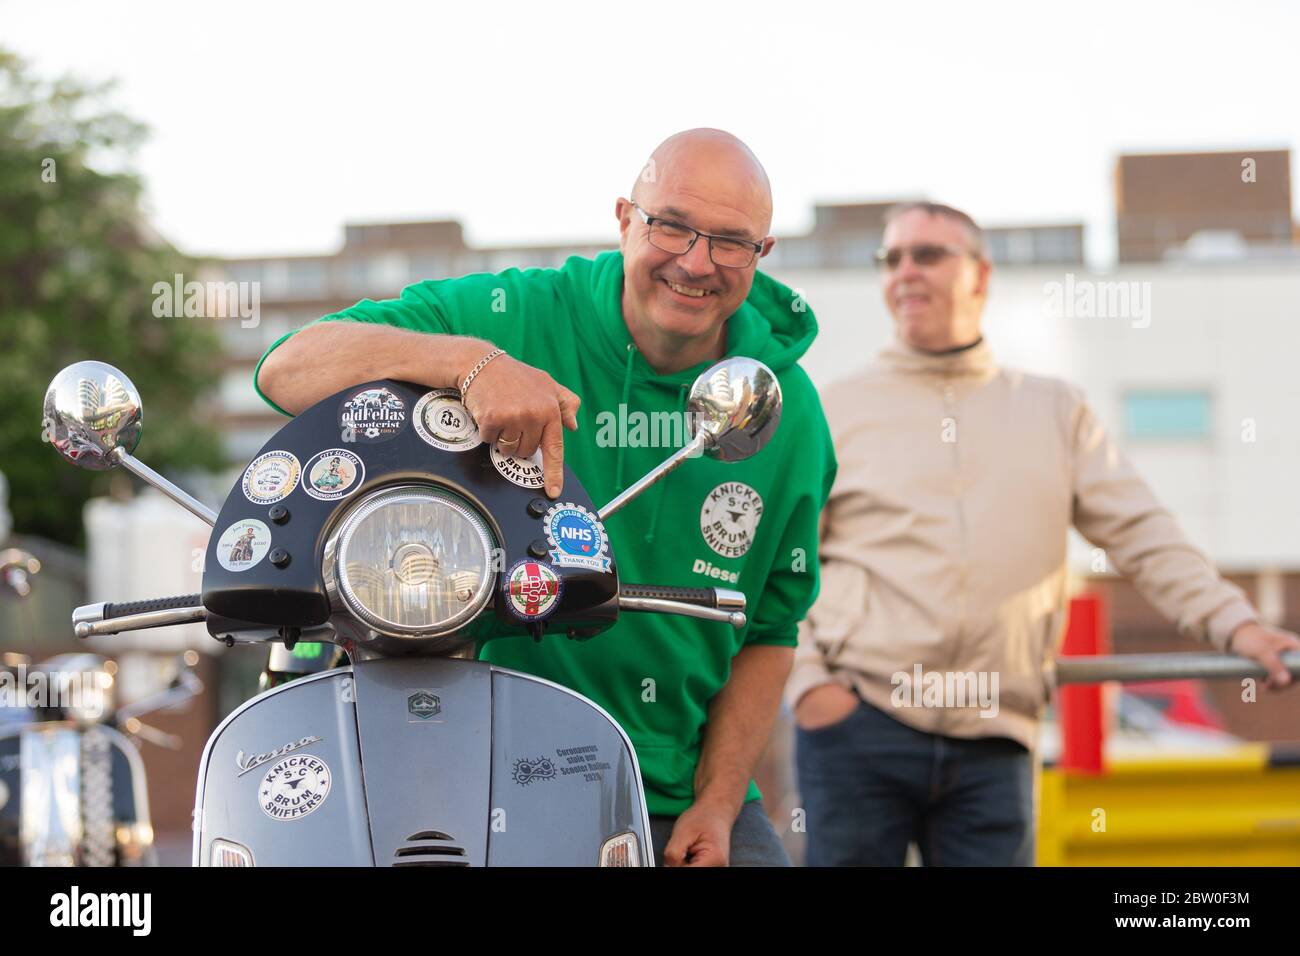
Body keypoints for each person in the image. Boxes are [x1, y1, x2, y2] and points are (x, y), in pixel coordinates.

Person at [256, 129, 836, 866]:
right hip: (466, 771)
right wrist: (467, 363)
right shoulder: (510, 314)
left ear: (763, 254)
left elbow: (769, 630)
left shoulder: (784, 410)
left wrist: (718, 805)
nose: (695, 262)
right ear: (625, 218)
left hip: (671, 791)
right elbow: (287, 368)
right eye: (671, 226)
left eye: (730, 242)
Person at [787, 201, 1300, 867]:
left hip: (997, 739)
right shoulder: (836, 409)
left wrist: (1239, 625)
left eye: (928, 254)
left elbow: (1144, 534)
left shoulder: (1054, 410)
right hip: (859, 727)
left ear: (980, 275)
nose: (905, 272)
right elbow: (784, 563)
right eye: (892, 258)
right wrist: (809, 686)